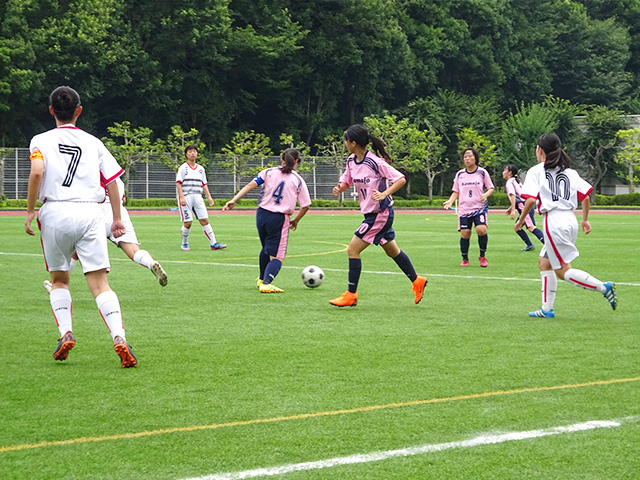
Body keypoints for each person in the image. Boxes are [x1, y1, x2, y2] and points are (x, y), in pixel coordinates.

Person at [25, 85, 137, 367]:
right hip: (89, 213)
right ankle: (119, 337)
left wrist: (28, 211)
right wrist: (116, 219)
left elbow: (37, 171)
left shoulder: (40, 140)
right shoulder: (94, 142)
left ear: (51, 110)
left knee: (60, 279)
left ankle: (66, 332)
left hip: (55, 212)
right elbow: (111, 181)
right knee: (100, 284)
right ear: (79, 111)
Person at [515, 132, 617, 318]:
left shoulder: (536, 171)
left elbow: (530, 200)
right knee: (544, 263)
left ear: (540, 150)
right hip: (570, 219)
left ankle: (603, 287)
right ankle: (546, 309)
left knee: (562, 271)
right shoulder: (569, 172)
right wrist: (585, 219)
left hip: (553, 221)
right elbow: (585, 196)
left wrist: (520, 221)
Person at [329, 124, 427, 307]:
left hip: (380, 214)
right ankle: (417, 280)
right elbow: (347, 179)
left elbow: (400, 179)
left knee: (352, 250)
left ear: (353, 142)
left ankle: (351, 294)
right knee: (392, 251)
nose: (344, 143)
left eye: (346, 140)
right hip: (371, 214)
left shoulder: (375, 162)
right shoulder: (351, 160)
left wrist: (384, 193)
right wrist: (340, 187)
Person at [43, 176, 168, 293]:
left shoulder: (86, 173)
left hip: (96, 214)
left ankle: (56, 284)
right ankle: (150, 262)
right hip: (118, 213)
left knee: (77, 250)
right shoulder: (117, 178)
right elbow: (122, 199)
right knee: (134, 251)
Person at [223, 148, 311, 293]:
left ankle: (261, 279)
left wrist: (234, 200)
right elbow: (305, 206)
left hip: (261, 215)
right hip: (279, 218)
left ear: (281, 160)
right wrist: (296, 220)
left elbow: (251, 185)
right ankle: (267, 282)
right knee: (278, 255)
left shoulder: (269, 172)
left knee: (266, 248)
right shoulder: (298, 180)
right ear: (296, 162)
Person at [443, 148, 495, 267]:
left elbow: (490, 187)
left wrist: (486, 194)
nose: (467, 159)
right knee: (465, 233)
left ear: (475, 158)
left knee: (481, 230)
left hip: (479, 208)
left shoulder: (482, 172)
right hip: (464, 209)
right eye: (465, 157)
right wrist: (450, 201)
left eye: (470, 156)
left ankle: (482, 256)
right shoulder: (460, 174)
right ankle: (465, 258)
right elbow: (456, 191)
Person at [176, 144, 226, 251]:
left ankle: (214, 243)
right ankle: (184, 243)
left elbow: (204, 184)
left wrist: (209, 197)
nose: (192, 153)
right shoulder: (183, 168)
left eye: (194, 151)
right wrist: (181, 197)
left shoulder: (201, 169)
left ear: (197, 154)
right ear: (186, 154)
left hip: (198, 197)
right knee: (188, 222)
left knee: (205, 220)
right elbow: (178, 183)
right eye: (190, 151)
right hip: (186, 196)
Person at [503, 164, 544, 251]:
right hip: (525, 205)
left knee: (531, 227)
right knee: (517, 227)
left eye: (505, 170)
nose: (503, 172)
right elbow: (519, 195)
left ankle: (549, 245)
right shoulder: (516, 181)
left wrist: (513, 210)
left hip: (524, 207)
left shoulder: (510, 182)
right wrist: (511, 208)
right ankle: (530, 245)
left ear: (510, 173)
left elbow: (513, 195)